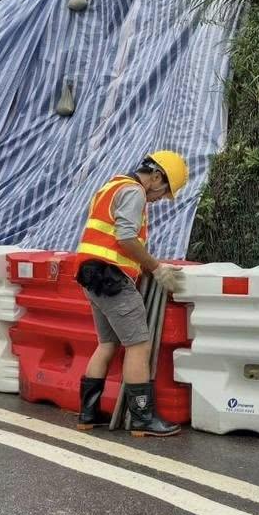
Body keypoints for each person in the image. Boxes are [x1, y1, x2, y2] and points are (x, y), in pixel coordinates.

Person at [71, 150, 190, 437]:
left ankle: (88, 414)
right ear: (157, 176)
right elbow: (125, 238)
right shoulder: (134, 191)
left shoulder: (111, 186)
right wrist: (156, 268)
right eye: (164, 191)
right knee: (138, 346)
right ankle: (142, 419)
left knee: (107, 344)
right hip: (113, 278)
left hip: (91, 275)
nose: (160, 198)